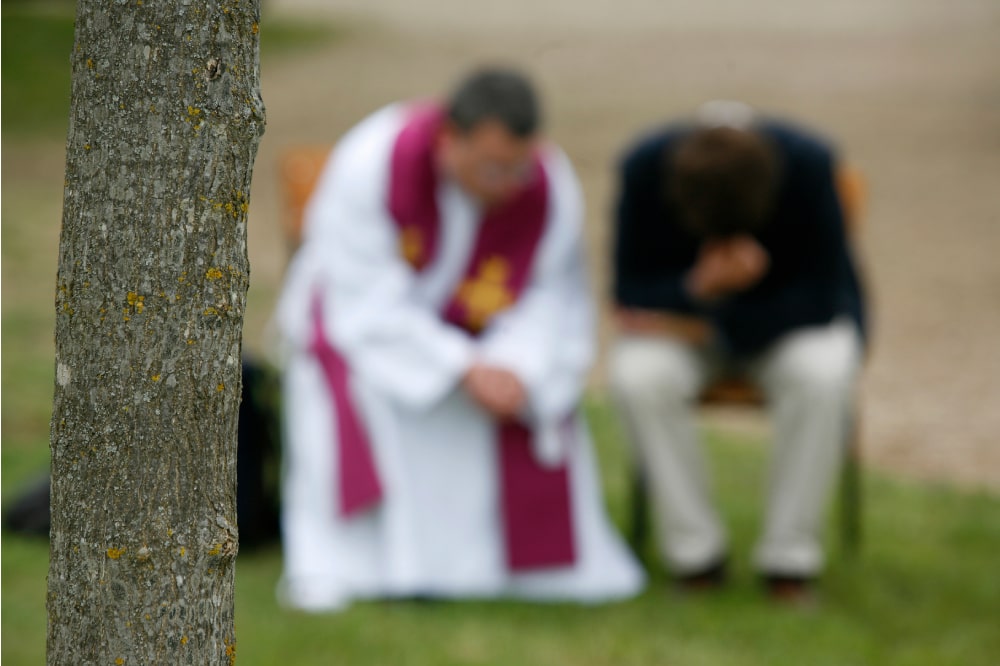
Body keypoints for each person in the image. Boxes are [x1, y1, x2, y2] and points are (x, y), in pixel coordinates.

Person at [273, 67, 644, 611]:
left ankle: (507, 573)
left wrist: (514, 364)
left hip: (492, 346)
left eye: (516, 167)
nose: (506, 184)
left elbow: (553, 296)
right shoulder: (373, 160)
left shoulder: (546, 183)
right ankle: (367, 569)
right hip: (370, 338)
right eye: (491, 167)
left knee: (533, 411)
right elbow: (362, 293)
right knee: (369, 398)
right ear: (450, 142)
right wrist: (459, 366)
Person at [609, 102, 866, 600]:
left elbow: (827, 296)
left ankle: (789, 563)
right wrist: (695, 288)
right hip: (690, 326)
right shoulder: (643, 167)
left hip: (784, 331)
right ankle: (695, 557)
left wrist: (717, 325)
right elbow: (627, 290)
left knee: (824, 373)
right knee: (638, 375)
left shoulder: (811, 164)